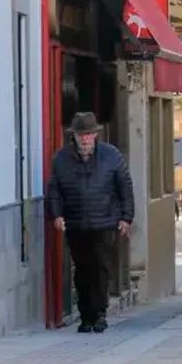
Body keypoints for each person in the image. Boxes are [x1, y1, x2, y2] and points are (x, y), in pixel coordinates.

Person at [48, 112, 134, 334]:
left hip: (105, 222)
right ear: (74, 136)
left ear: (96, 135)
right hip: (76, 223)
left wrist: (126, 217)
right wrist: (57, 215)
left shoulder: (111, 156)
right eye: (81, 135)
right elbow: (54, 190)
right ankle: (85, 316)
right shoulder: (61, 159)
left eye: (88, 134)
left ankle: (100, 314)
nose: (85, 139)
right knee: (82, 270)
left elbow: (125, 187)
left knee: (101, 268)